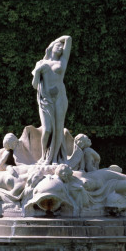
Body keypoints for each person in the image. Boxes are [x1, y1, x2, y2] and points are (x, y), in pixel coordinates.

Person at [32, 35, 72, 165]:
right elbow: (34, 85)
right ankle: (44, 156)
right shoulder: (41, 63)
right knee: (48, 129)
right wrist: (37, 72)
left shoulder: (62, 62)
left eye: (62, 46)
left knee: (59, 128)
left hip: (60, 97)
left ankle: (55, 158)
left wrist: (59, 40)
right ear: (51, 47)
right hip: (45, 99)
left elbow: (69, 38)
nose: (60, 48)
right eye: (57, 45)